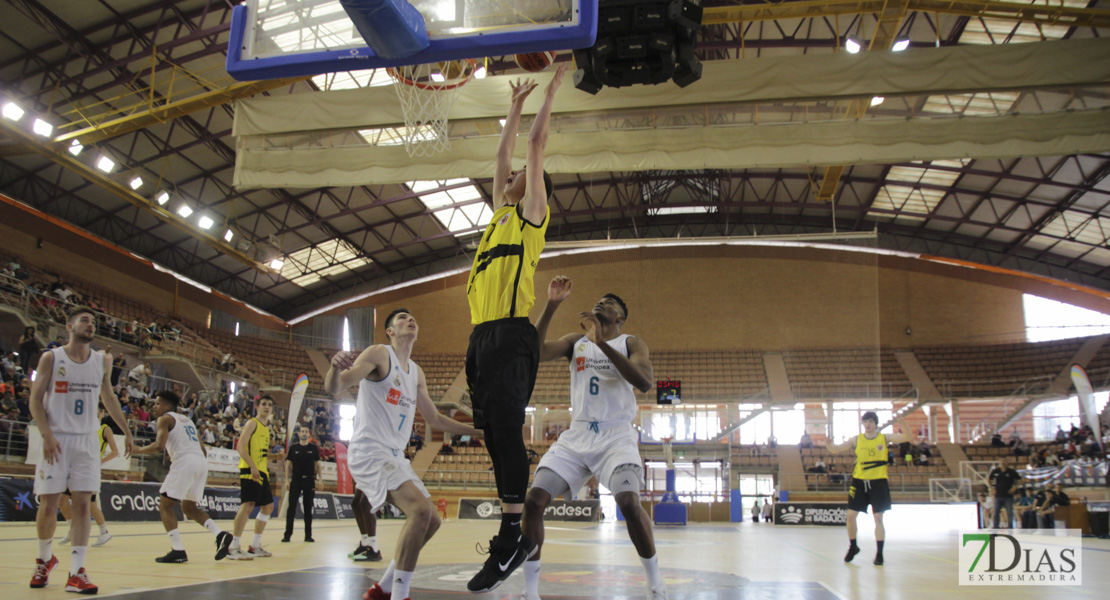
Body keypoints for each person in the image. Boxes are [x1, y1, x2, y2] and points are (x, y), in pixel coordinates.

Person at [462, 65, 567, 594]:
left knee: (504, 431)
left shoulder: (531, 213)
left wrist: (548, 95)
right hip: (481, 337)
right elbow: (503, 156)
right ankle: (512, 527)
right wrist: (514, 104)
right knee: (491, 433)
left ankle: (511, 538)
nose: (508, 177)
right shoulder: (499, 211)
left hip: (509, 333)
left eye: (522, 174)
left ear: (535, 184)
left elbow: (531, 146)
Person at [519, 277, 667, 600]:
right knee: (533, 502)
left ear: (619, 319)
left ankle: (656, 583)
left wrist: (601, 344)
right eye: (599, 301)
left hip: (616, 434)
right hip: (579, 434)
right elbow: (538, 351)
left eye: (610, 303)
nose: (602, 304)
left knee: (628, 502)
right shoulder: (576, 341)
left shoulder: (631, 343)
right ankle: (530, 593)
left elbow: (644, 382)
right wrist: (553, 305)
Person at [325, 308, 482, 600]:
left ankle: (383, 588)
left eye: (413, 318)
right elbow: (335, 387)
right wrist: (334, 367)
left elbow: (434, 419)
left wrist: (481, 431)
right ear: (390, 331)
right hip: (369, 450)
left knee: (431, 520)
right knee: (420, 511)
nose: (410, 320)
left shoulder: (416, 372)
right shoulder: (378, 354)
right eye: (401, 318)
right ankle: (399, 595)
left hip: (395, 455)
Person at [28, 306, 133, 593]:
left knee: (84, 505)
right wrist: (46, 435)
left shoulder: (102, 361)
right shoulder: (51, 357)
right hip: (57, 439)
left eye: (94, 321)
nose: (91, 325)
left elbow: (109, 397)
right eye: (85, 320)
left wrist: (126, 430)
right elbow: (35, 400)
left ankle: (77, 572)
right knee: (49, 504)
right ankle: (44, 560)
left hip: (86, 441)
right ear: (69, 325)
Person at [130, 390, 233, 563]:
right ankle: (219, 534)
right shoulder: (188, 421)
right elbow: (204, 450)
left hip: (185, 461)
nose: (154, 407)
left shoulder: (164, 419)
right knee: (189, 508)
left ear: (167, 406)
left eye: (158, 403)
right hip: (200, 463)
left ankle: (178, 550)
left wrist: (138, 449)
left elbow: (159, 445)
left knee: (165, 506)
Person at [828, 412, 913, 566]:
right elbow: (835, 449)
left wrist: (903, 423)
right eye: (865, 421)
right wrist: (828, 444)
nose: (867, 424)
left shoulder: (884, 438)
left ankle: (879, 553)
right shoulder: (857, 439)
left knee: (878, 518)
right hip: (859, 481)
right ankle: (853, 546)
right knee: (851, 516)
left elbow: (908, 437)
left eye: (870, 421)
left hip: (878, 482)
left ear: (876, 424)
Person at [58, 406, 118, 547]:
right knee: (62, 500)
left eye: (100, 410)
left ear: (103, 413)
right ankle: (72, 529)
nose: (97, 412)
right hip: (74, 468)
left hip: (89, 470)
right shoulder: (83, 427)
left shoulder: (105, 429)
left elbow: (115, 451)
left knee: (90, 504)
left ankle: (104, 532)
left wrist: (101, 461)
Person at [227, 395, 277, 560]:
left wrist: (275, 457)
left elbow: (260, 453)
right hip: (250, 470)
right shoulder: (252, 423)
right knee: (248, 505)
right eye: (264, 404)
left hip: (262, 471)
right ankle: (233, 546)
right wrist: (252, 466)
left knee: (268, 507)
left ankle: (255, 546)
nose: (267, 407)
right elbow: (240, 447)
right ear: (257, 406)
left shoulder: (266, 428)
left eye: (269, 405)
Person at [282, 425, 322, 543]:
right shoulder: (293, 448)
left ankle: (308, 535)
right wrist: (287, 480)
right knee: (291, 509)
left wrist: (320, 479)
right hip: (296, 480)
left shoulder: (313, 448)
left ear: (309, 434)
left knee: (308, 508)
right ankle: (287, 535)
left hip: (309, 481)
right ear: (298, 434)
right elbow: (288, 465)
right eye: (302, 431)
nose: (304, 433)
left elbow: (318, 464)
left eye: (306, 431)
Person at [347, 488, 384, 562]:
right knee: (355, 503)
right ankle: (365, 544)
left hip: (375, 476)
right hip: (364, 476)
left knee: (365, 503)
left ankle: (374, 549)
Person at [988, 456, 1023, 529]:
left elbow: (1021, 480)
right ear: (999, 462)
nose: (1003, 462)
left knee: (1009, 513)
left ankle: (1010, 528)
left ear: (1007, 462)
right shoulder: (996, 471)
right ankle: (995, 527)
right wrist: (991, 488)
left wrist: (1015, 487)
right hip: (998, 495)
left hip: (1008, 496)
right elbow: (988, 478)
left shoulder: (1011, 471)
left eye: (1004, 461)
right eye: (1001, 461)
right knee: (996, 512)